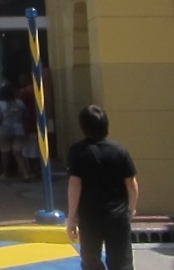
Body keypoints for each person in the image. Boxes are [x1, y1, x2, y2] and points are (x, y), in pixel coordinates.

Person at [66, 105, 139, 270]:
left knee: (91, 260)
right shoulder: (120, 152)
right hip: (118, 216)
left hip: (90, 216)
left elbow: (75, 185)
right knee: (121, 261)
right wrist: (131, 209)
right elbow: (132, 184)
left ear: (83, 126)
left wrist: (71, 218)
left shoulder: (78, 151)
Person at [0, 84, 31, 181]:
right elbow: (25, 117)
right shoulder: (20, 103)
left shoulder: (0, 105)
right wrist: (26, 130)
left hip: (4, 130)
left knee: (5, 152)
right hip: (19, 130)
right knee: (18, 153)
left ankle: (5, 174)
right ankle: (25, 174)